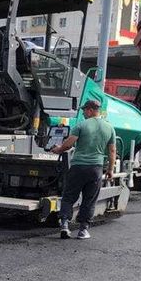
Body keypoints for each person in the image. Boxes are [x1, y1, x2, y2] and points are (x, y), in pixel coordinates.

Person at [50, 99, 117, 240]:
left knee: (69, 196)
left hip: (78, 167)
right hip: (96, 168)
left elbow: (69, 144)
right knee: (90, 199)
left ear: (90, 110)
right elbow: (112, 151)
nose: (83, 113)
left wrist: (58, 149)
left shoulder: (82, 125)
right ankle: (83, 230)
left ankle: (64, 225)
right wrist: (110, 169)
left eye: (84, 110)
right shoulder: (109, 127)